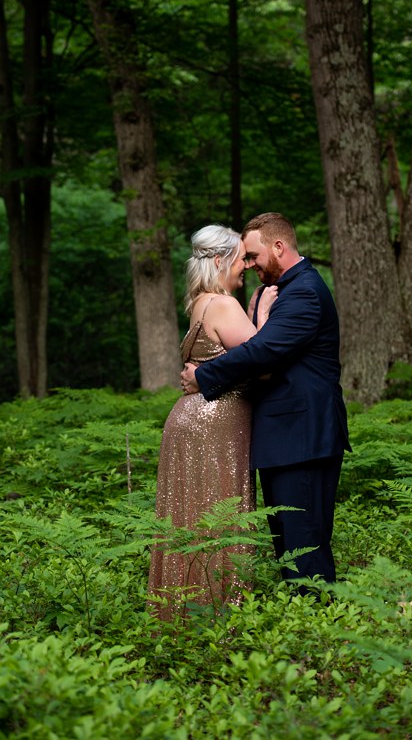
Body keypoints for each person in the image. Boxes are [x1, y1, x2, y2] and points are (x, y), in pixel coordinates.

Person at [182, 212, 351, 587]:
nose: (250, 264)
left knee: (304, 542)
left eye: (254, 255)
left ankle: (316, 620)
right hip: (287, 438)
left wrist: (203, 376)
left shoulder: (303, 291)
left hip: (303, 437)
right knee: (290, 543)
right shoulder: (285, 290)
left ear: (279, 247)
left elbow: (264, 352)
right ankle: (303, 619)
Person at [149, 224, 272, 620]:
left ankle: (183, 613)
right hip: (214, 424)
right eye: (241, 260)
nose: (245, 268)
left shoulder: (200, 302)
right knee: (218, 515)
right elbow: (263, 360)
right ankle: (218, 617)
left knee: (192, 517)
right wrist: (266, 314)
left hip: (189, 420)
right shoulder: (223, 304)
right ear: (220, 261)